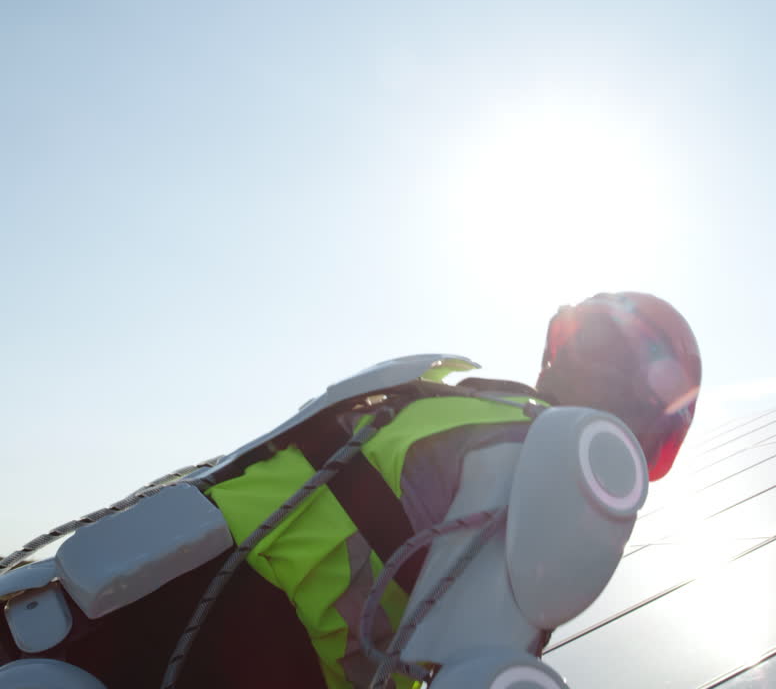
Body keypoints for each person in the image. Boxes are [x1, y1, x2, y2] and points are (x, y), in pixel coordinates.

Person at [0, 291, 700, 689]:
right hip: (234, 656)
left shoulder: (435, 392)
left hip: (82, 607)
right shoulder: (578, 465)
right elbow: (485, 675)